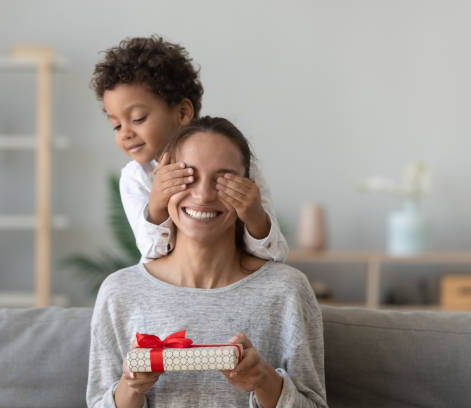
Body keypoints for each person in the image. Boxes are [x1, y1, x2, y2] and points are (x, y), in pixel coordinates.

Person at [86, 117, 327, 408]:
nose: (202, 195)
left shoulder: (286, 291)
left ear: (249, 190)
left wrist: (264, 380)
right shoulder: (120, 292)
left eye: (224, 180)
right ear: (161, 183)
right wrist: (131, 388)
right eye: (187, 176)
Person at [91, 36, 289, 263]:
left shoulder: (237, 164)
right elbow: (152, 256)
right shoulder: (136, 178)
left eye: (138, 118)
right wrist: (156, 207)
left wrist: (255, 217)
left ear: (183, 113)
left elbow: (275, 254)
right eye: (116, 125)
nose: (125, 133)